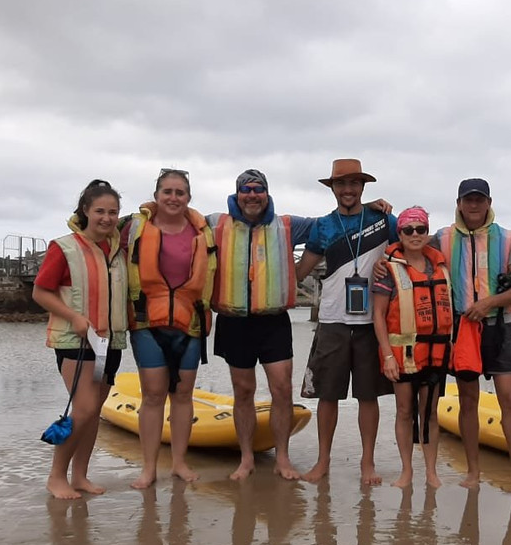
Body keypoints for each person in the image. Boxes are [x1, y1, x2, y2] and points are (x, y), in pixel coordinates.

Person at [437, 177, 511, 496]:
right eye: (468, 199)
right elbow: (406, 250)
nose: (473, 205)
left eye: (479, 199)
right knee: (468, 401)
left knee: (510, 399)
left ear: (489, 202)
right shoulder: (442, 238)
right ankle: (473, 472)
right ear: (458, 203)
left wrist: (489, 303)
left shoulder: (506, 238)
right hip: (462, 330)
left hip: (500, 327)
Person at [298, 158, 398, 486]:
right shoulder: (323, 226)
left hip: (373, 322)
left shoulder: (385, 220)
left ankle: (367, 463)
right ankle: (322, 461)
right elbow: (299, 272)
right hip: (331, 320)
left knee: (368, 396)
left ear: (363, 187)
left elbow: (413, 246)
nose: (348, 190)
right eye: (341, 184)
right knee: (328, 396)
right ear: (333, 189)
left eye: (354, 184)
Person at [210, 169, 313, 481]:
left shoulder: (288, 225)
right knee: (243, 390)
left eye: (258, 190)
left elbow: (330, 227)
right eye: (246, 190)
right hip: (234, 320)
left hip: (273, 321)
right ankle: (246, 458)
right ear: (237, 193)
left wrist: (299, 271)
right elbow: (174, 218)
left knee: (282, 388)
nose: (252, 195)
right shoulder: (216, 223)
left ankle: (282, 456)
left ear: (267, 193)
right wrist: (150, 207)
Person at [33, 179, 129, 500]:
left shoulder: (118, 251)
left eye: (113, 212)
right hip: (74, 341)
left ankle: (81, 476)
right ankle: (56, 476)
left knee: (94, 410)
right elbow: (40, 292)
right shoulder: (64, 247)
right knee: (84, 409)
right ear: (85, 210)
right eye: (100, 210)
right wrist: (73, 316)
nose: (106, 217)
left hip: (108, 343)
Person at [121, 168, 216, 489]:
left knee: (183, 395)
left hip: (190, 323)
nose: (173, 198)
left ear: (188, 197)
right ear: (157, 195)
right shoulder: (136, 228)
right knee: (152, 395)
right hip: (147, 322)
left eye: (180, 193)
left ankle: (178, 462)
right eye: (168, 192)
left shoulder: (203, 232)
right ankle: (148, 468)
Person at [372, 206, 453, 488]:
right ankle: (406, 471)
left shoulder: (441, 267)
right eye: (408, 230)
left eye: (421, 229)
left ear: (428, 233)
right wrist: (386, 356)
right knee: (405, 411)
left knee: (430, 412)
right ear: (400, 233)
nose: (415, 235)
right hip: (402, 356)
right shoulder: (387, 269)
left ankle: (431, 472)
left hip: (435, 354)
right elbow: (378, 317)